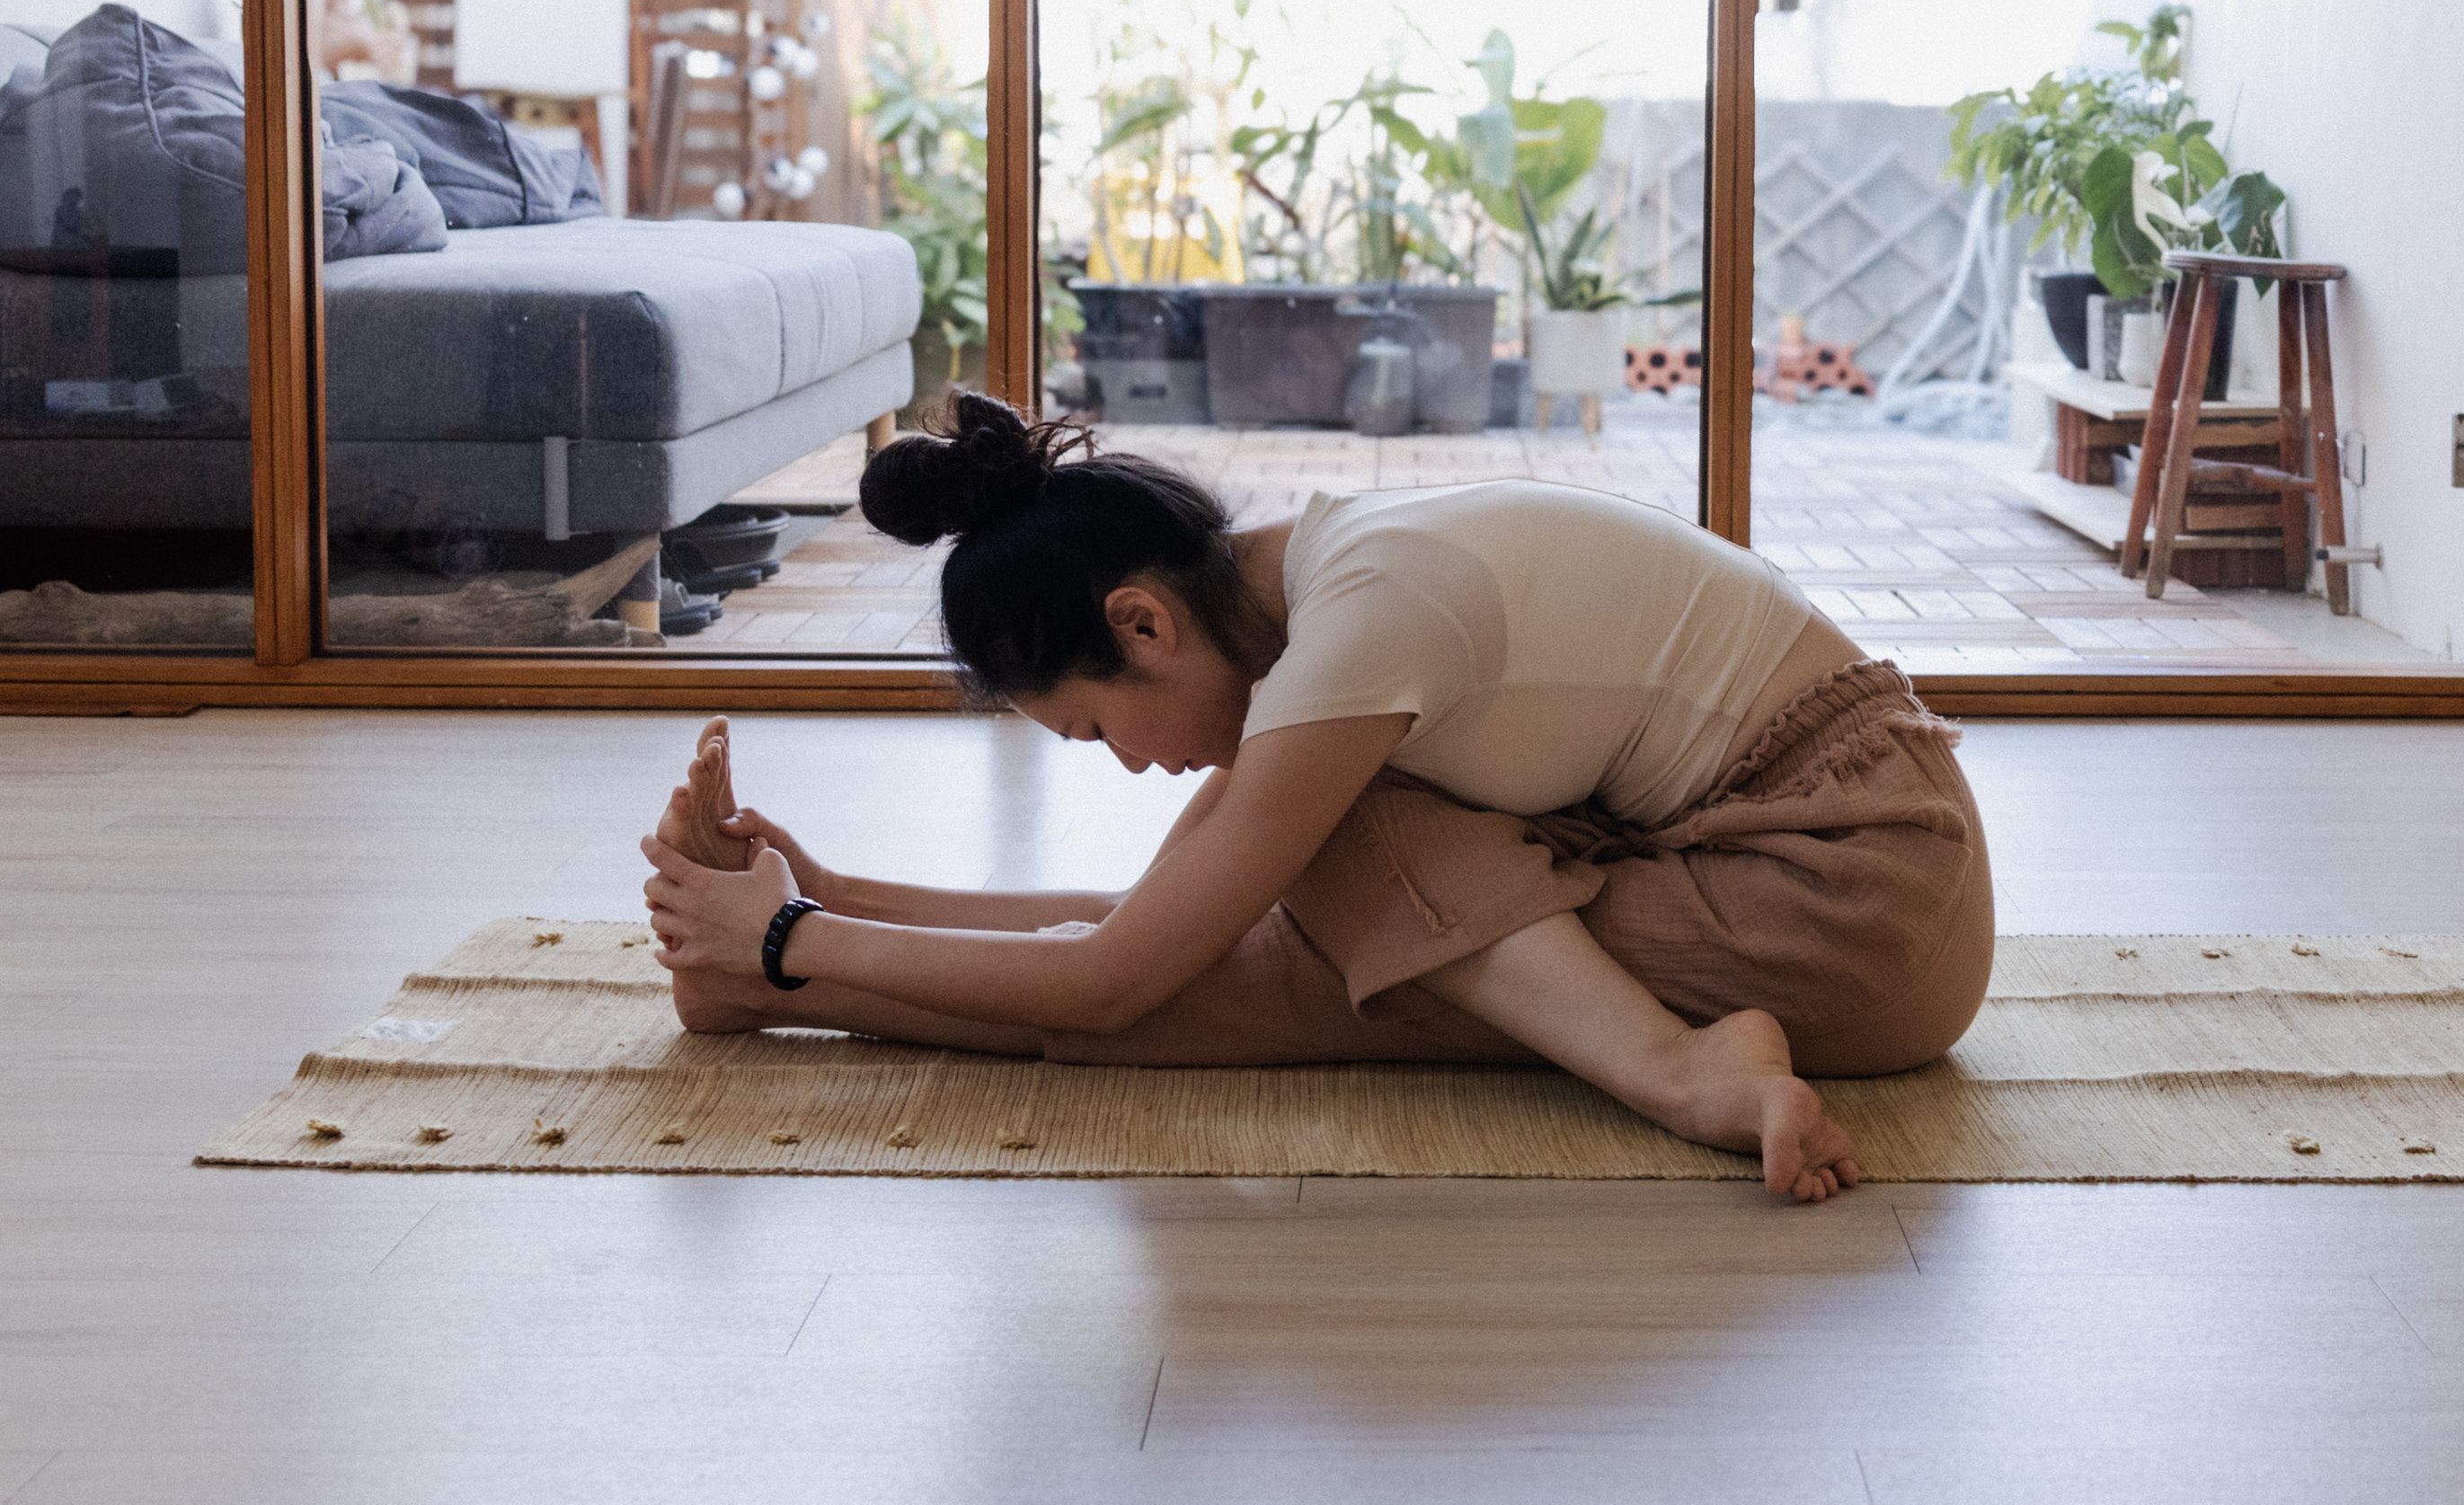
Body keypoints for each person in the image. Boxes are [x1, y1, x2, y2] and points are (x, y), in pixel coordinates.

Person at [640, 393, 1994, 1203]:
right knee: (1263, 941)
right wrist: (836, 893)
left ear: (1143, 624)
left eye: (1094, 725)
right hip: (1822, 873)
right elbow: (1153, 917)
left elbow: (1120, 974)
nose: (1124, 762)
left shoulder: (1359, 633)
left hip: (1853, 889)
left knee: (1274, 977)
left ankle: (1680, 1070)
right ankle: (772, 987)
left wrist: (786, 944)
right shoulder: (1321, 599)